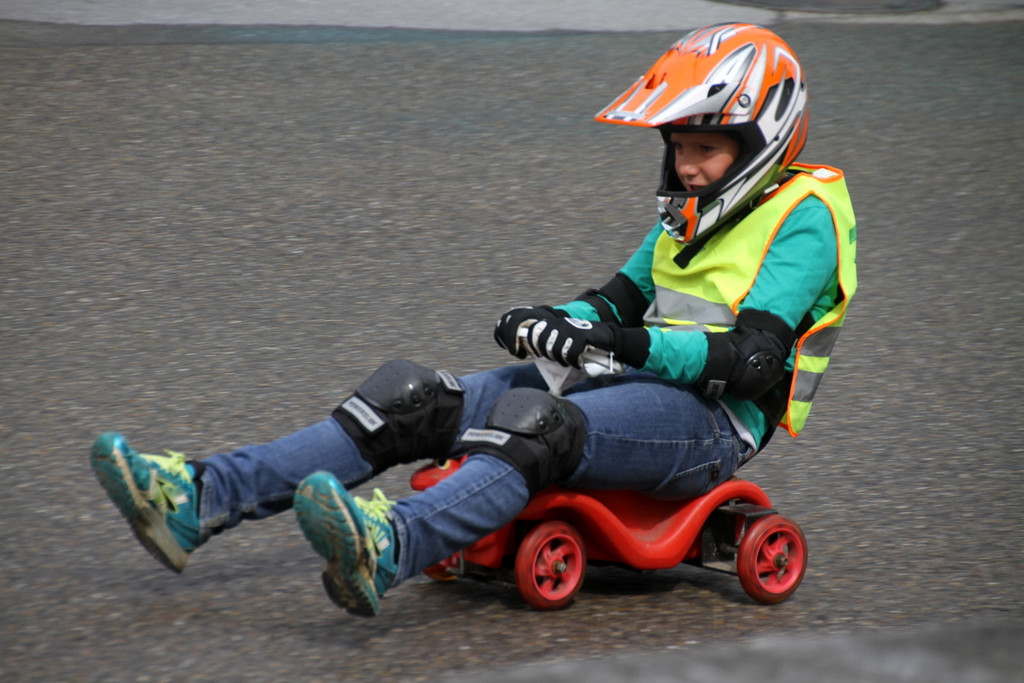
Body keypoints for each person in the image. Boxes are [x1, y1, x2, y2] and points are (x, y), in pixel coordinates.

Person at [90, 23, 857, 617]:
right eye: (678, 146)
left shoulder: (806, 215)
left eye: (705, 149)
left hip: (713, 421)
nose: (686, 166)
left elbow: (752, 360)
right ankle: (197, 497)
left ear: (761, 142)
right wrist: (551, 320)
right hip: (640, 381)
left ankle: (388, 546)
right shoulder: (689, 211)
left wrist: (613, 342)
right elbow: (615, 300)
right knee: (409, 396)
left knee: (537, 424)